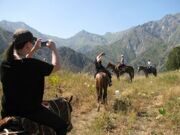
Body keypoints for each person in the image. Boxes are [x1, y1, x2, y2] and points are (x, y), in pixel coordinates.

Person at [0, 29, 68, 135]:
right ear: (27, 44)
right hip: (30, 111)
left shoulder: (4, 64)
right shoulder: (33, 65)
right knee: (62, 126)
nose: (33, 44)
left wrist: (33, 49)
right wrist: (54, 48)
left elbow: (22, 65)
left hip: (7, 112)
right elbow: (57, 67)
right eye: (32, 42)